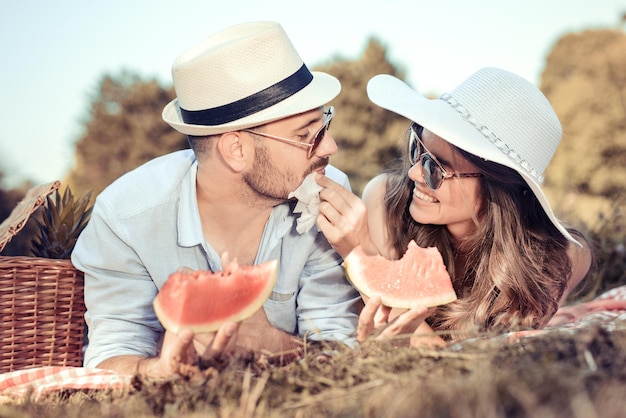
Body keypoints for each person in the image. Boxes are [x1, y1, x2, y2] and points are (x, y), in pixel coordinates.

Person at [71, 21, 361, 378]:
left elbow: (341, 347)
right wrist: (157, 370)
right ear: (236, 149)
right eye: (307, 136)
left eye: (324, 125)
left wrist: (273, 343)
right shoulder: (126, 217)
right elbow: (110, 355)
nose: (329, 147)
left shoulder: (328, 200)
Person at [315, 67, 593, 347]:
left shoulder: (561, 257)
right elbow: (394, 329)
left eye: (434, 169)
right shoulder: (386, 199)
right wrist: (361, 253)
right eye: (417, 150)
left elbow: (448, 362)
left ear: (499, 190)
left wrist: (359, 252)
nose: (413, 174)